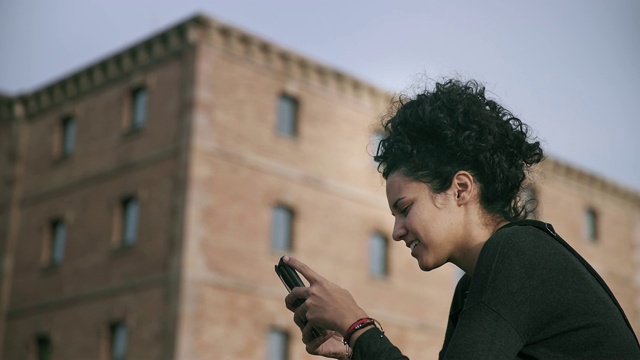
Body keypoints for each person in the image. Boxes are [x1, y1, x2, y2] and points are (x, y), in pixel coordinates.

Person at [282, 79, 640, 359]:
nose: (396, 232)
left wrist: (357, 326)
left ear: (461, 189)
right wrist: (353, 349)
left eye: (405, 209)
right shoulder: (473, 286)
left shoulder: (516, 254)